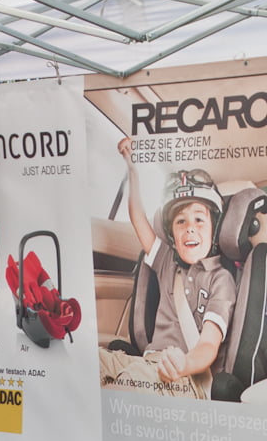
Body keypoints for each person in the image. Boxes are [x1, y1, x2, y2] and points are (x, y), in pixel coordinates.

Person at [99, 142, 233, 399]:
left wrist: (184, 364)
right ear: (171, 234)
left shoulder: (220, 279)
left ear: (214, 230)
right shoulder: (166, 261)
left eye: (199, 219)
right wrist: (132, 170)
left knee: (121, 389)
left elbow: (208, 345)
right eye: (180, 221)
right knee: (89, 362)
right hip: (146, 362)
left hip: (185, 377)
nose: (190, 227)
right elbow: (138, 217)